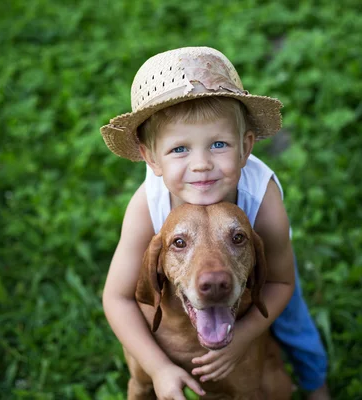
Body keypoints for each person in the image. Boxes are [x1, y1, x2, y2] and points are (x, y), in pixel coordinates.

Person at [101, 46, 330, 400]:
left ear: (245, 147)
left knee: (294, 328)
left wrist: (245, 337)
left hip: (265, 275)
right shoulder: (146, 207)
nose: (202, 164)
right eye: (180, 149)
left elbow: (281, 279)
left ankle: (317, 386)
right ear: (151, 159)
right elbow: (117, 298)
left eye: (219, 144)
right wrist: (158, 368)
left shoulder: (262, 199)